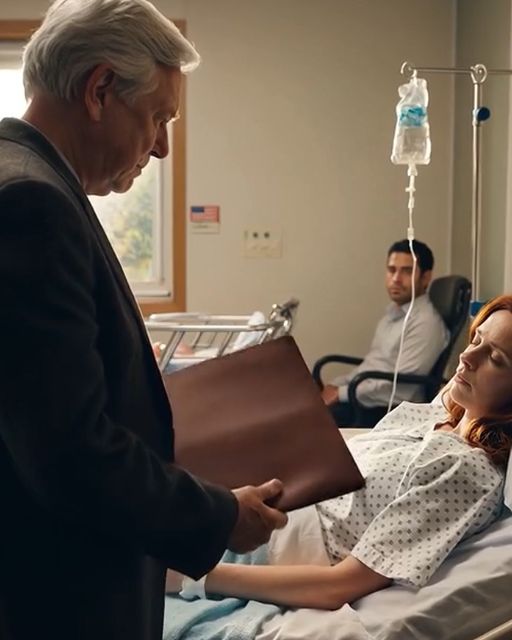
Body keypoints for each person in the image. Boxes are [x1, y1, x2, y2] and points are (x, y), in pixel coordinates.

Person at [0, 2, 287, 639]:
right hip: (59, 597)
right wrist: (219, 516)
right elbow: (70, 455)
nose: (161, 146)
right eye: (158, 118)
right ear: (100, 90)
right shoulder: (31, 204)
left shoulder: (26, 180)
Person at [165, 294, 512, 621]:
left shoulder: (465, 471)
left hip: (260, 538)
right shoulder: (434, 414)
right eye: (475, 339)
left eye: (495, 359)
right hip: (258, 496)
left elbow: (341, 584)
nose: (467, 358)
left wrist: (196, 578)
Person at [321, 238, 449, 426]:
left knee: (308, 422)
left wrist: (341, 393)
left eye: (407, 271)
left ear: (425, 277)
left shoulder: (425, 323)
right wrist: (338, 384)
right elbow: (372, 365)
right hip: (364, 397)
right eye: (391, 270)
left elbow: (401, 388)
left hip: (385, 410)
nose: (396, 279)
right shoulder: (393, 314)